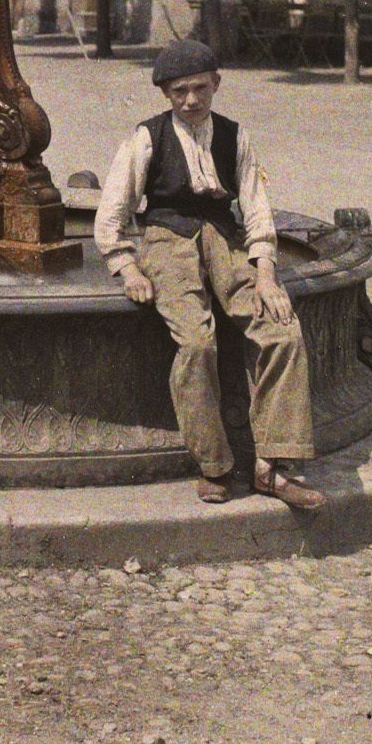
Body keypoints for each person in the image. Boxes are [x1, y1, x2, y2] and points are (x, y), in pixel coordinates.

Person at [94, 39, 325, 511]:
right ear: (165, 94)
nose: (191, 101)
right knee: (197, 343)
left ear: (216, 83)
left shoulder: (235, 136)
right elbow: (111, 212)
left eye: (200, 88)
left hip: (224, 238)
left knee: (282, 333)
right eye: (179, 91)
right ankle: (214, 464)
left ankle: (274, 467)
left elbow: (257, 210)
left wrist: (265, 274)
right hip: (166, 239)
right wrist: (127, 265)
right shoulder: (147, 137)